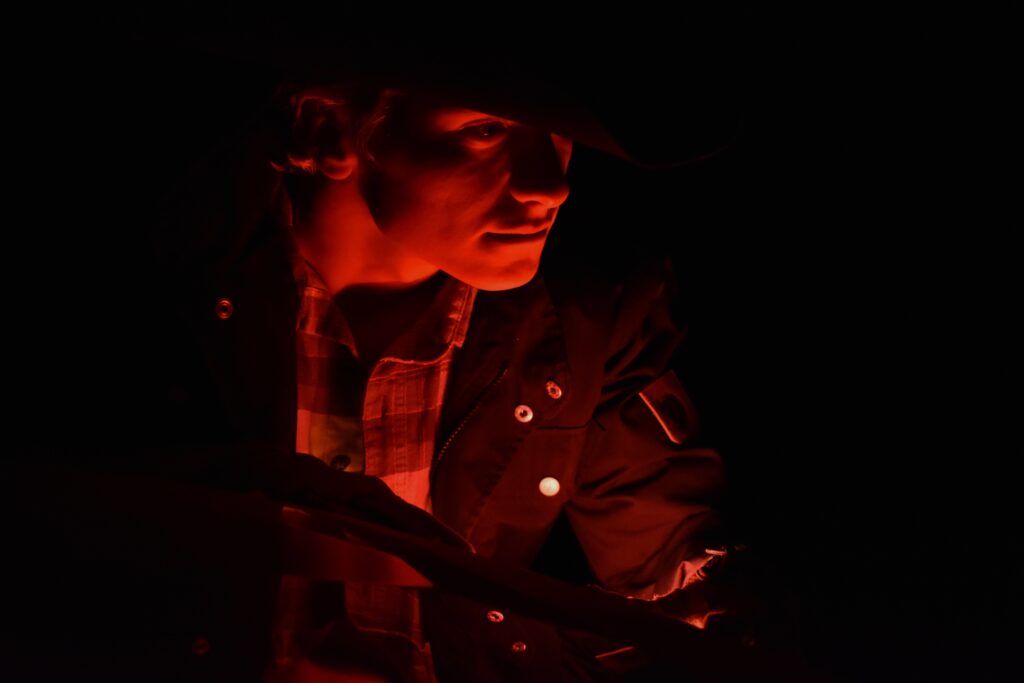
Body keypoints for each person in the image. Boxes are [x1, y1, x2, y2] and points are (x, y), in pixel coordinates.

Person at [6, 10, 759, 683]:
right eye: (486, 129)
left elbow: (679, 569)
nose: (549, 185)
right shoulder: (163, 271)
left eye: (559, 137)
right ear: (332, 132)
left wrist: (713, 615)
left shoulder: (590, 317)